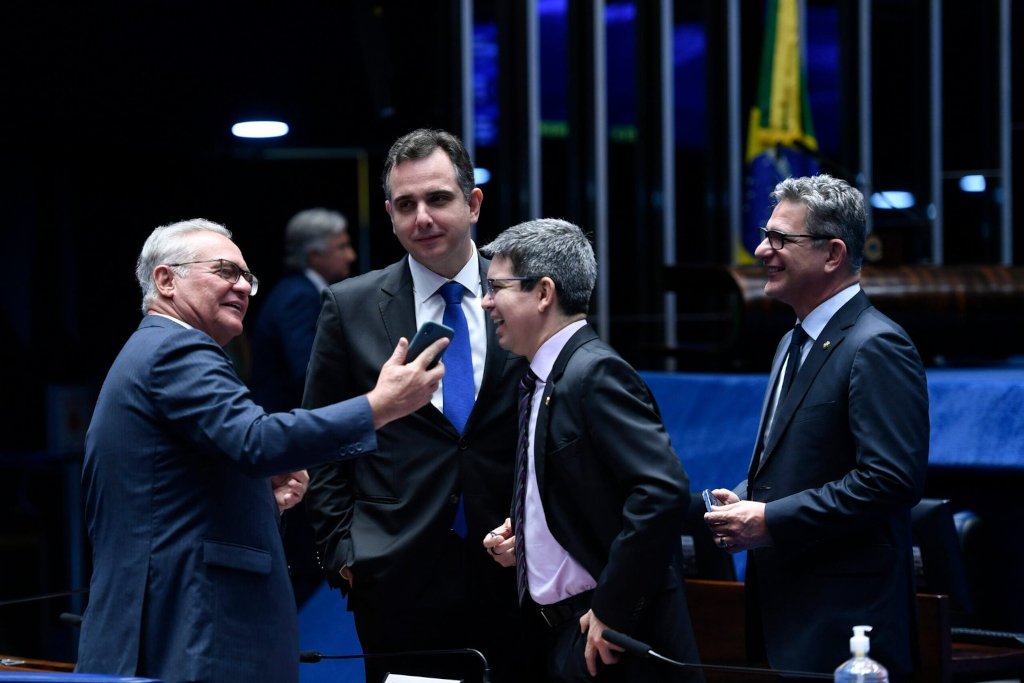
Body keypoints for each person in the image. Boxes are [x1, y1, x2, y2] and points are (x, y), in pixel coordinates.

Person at [76, 219, 447, 683]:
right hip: (190, 636)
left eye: (247, 278)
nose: (243, 288)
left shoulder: (154, 350)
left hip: (176, 628)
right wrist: (377, 406)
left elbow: (167, 498)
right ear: (166, 280)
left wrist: (254, 494)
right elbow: (255, 440)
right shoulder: (176, 349)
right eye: (225, 272)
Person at [302, 129, 532, 683]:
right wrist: (343, 553)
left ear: (473, 203)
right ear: (389, 213)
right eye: (405, 205)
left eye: (438, 199)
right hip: (396, 573)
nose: (422, 217)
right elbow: (324, 436)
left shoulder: (530, 295)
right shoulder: (349, 305)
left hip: (517, 567)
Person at [703, 175, 929, 679]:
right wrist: (745, 500)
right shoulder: (791, 341)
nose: (762, 249)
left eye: (781, 238)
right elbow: (797, 460)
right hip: (786, 616)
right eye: (766, 234)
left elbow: (891, 481)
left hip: (848, 627)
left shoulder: (877, 345)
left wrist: (771, 519)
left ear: (833, 253)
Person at [479, 218, 703, 683]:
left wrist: (614, 608)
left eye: (496, 287)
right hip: (559, 635)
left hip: (608, 642)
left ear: (543, 293)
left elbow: (661, 492)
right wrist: (532, 535)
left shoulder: (594, 372)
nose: (486, 301)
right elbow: (593, 490)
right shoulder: (546, 375)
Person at [250, 207, 356, 413]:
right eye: (342, 247)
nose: (351, 255)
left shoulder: (297, 289)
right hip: (285, 421)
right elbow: (308, 372)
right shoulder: (299, 297)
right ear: (315, 255)